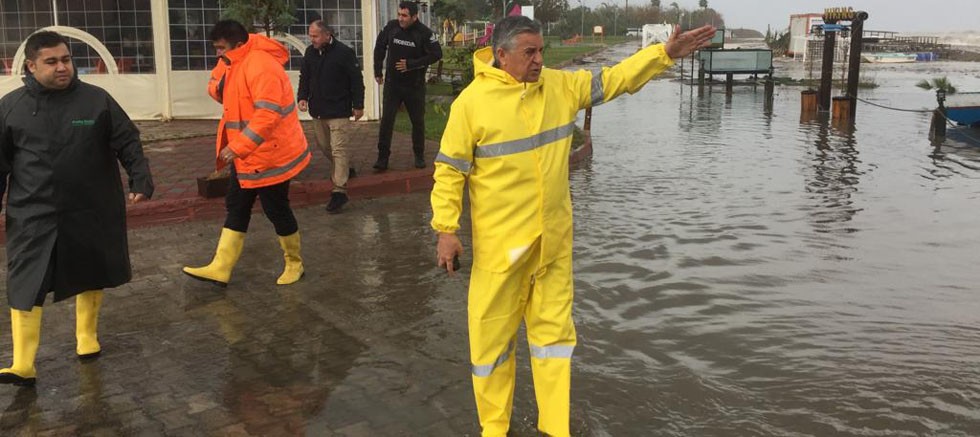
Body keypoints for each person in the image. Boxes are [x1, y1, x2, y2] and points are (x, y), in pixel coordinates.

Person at [430, 16, 716, 436]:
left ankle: (554, 428)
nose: (539, 60)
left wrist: (663, 55)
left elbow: (613, 80)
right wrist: (446, 229)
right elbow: (450, 170)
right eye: (530, 52)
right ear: (501, 55)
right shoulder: (471, 104)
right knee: (491, 348)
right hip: (501, 253)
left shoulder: (559, 88)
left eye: (541, 51)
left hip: (552, 247)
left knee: (553, 344)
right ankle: (494, 428)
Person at [0, 31, 154, 386]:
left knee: (89, 269)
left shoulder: (96, 100)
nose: (62, 67)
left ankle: (86, 336)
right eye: (51, 62)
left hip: (90, 206)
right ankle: (23, 364)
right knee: (26, 280)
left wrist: (140, 179)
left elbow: (128, 140)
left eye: (66, 59)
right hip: (32, 210)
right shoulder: (11, 107)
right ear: (31, 66)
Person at [183, 20, 310, 287]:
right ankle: (221, 267)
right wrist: (224, 68)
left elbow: (267, 115)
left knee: (276, 209)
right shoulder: (234, 62)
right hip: (247, 155)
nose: (217, 53)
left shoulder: (262, 66)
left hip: (271, 155)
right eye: (216, 48)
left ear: (239, 44)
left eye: (221, 48)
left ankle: (294, 263)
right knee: (237, 205)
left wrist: (237, 147)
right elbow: (217, 90)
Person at [298, 20, 365, 214]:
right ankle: (346, 168)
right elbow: (305, 76)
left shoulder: (344, 53)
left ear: (327, 35)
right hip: (318, 109)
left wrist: (358, 105)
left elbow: (356, 80)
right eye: (310, 36)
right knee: (325, 146)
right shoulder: (310, 53)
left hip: (339, 110)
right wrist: (302, 97)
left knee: (338, 149)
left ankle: (339, 191)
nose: (312, 39)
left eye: (315, 36)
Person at [372, 1, 442, 170]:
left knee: (417, 122)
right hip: (393, 84)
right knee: (387, 121)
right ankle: (382, 158)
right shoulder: (392, 27)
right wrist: (377, 70)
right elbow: (380, 47)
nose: (401, 19)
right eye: (399, 14)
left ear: (414, 17)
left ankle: (419, 155)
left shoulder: (424, 33)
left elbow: (436, 54)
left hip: (414, 86)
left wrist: (412, 64)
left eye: (404, 16)